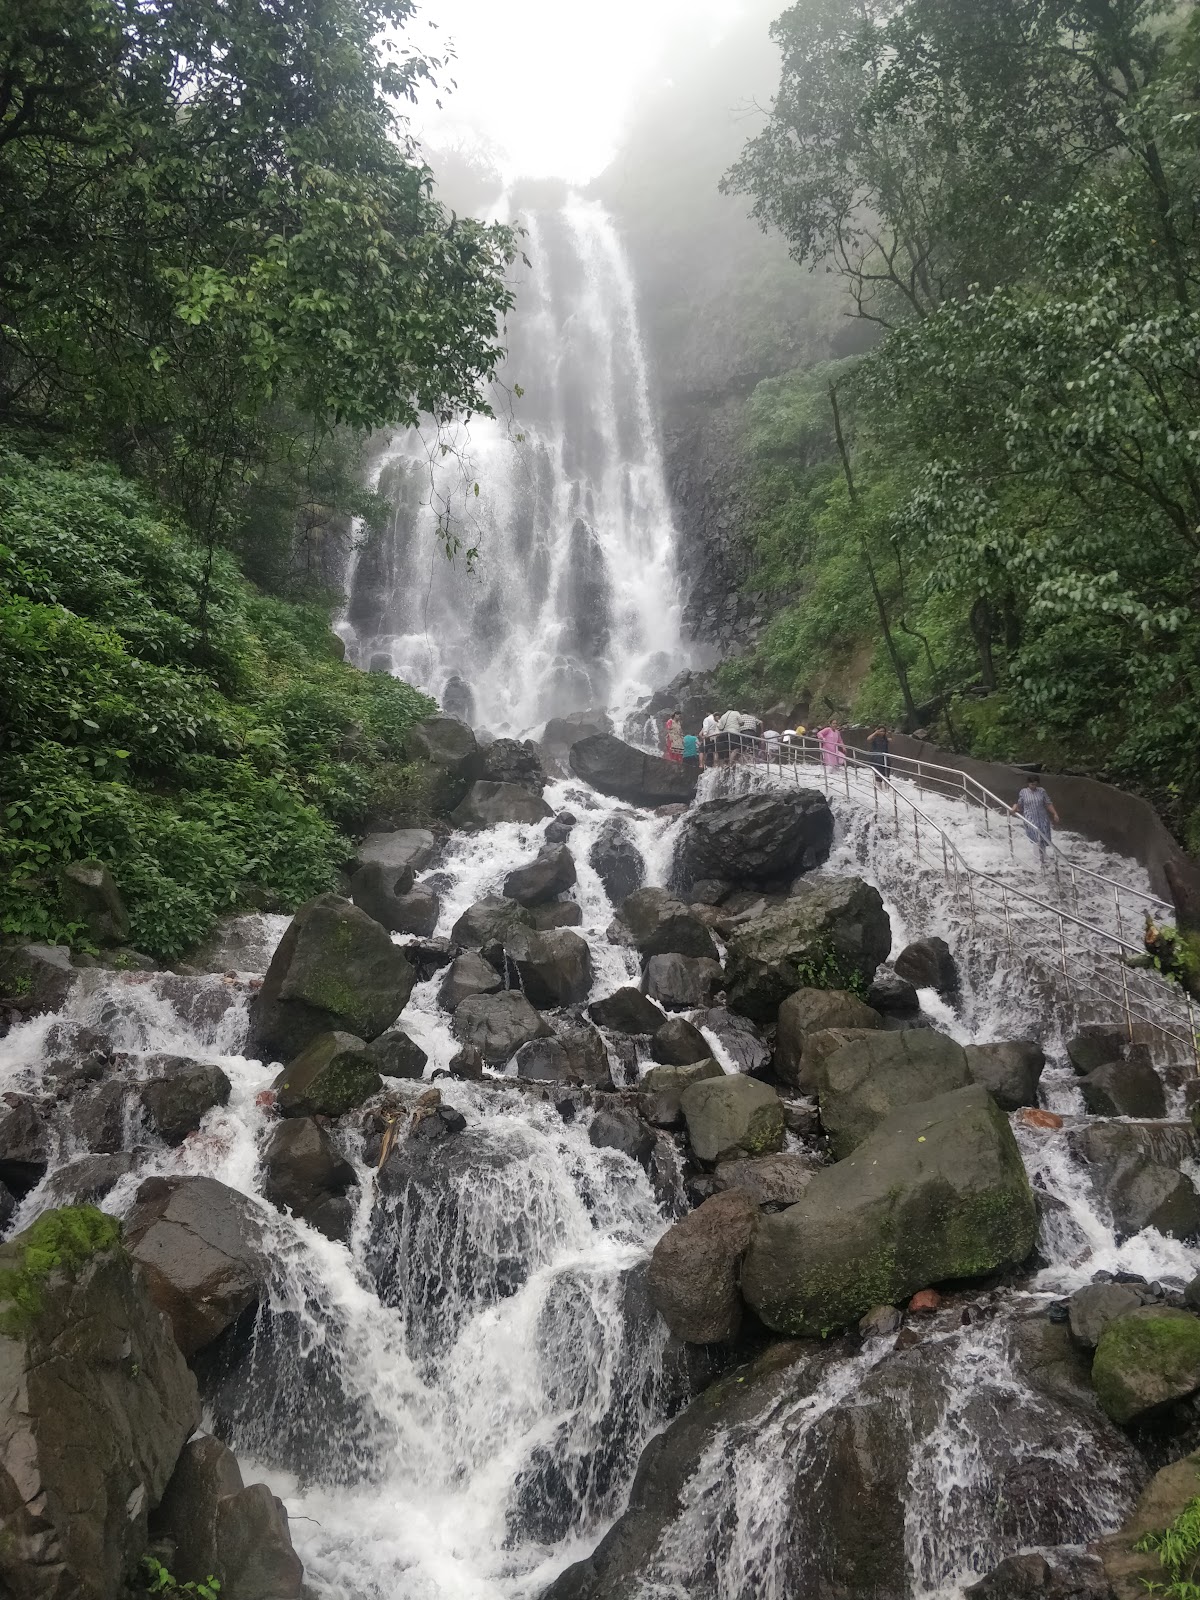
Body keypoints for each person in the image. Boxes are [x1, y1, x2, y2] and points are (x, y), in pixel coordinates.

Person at [1010, 773, 1059, 863]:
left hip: (1042, 817)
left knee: (1043, 836)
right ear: (1028, 783)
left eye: (1035, 784)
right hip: (1030, 817)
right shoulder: (1023, 792)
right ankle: (1037, 858)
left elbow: (1048, 803)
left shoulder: (1042, 791)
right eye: (1032, 784)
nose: (1033, 786)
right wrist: (1014, 807)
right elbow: (1020, 804)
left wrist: (1055, 814)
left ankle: (1043, 856)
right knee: (1036, 836)